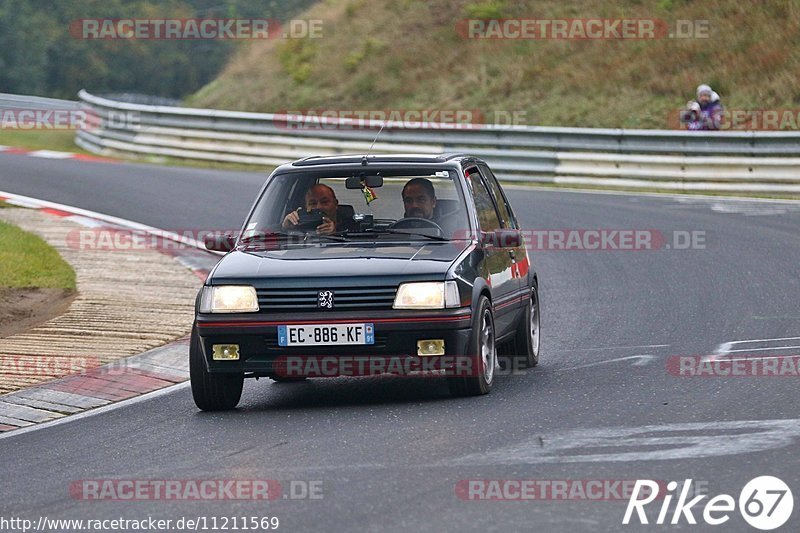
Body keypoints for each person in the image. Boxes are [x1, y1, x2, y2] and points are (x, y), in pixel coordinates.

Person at [281, 183, 357, 235]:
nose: (319, 207)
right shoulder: (298, 225)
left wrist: (335, 234)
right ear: (306, 207)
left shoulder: (351, 227)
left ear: (336, 204)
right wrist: (285, 229)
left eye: (324, 202)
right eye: (313, 203)